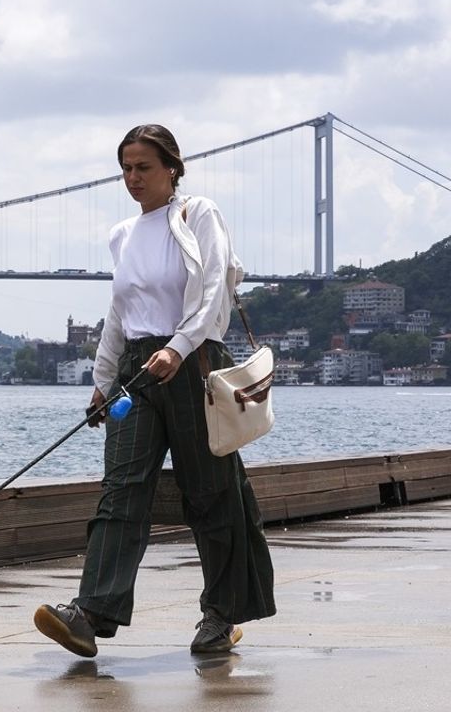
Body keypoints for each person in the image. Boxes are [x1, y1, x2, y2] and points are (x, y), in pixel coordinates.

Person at [34, 124, 276, 657]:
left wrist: (182, 345)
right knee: (121, 488)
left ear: (172, 167)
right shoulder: (122, 234)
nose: (132, 177)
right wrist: (103, 382)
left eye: (143, 167)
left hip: (193, 365)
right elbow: (119, 313)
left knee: (211, 492)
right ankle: (91, 612)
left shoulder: (199, 214)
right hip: (137, 370)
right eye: (125, 168)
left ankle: (221, 615)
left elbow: (214, 288)